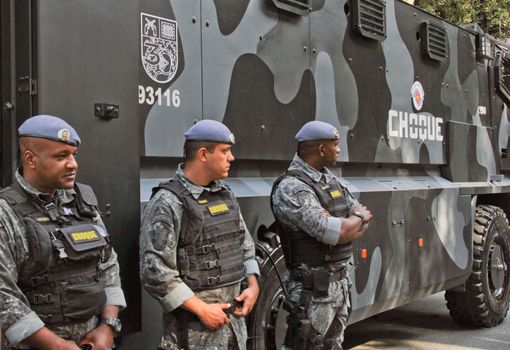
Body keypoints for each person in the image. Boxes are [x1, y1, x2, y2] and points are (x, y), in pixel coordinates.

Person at [0, 115, 126, 350]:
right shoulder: (6, 213)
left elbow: (108, 264)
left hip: (94, 342)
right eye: (61, 156)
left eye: (73, 155)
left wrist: (108, 326)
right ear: (31, 159)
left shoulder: (82, 203)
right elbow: (3, 295)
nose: (73, 164)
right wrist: (56, 345)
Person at [140, 119, 260, 350]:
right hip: (194, 333)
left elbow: (244, 245)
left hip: (234, 327)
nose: (231, 158)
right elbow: (155, 271)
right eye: (225, 151)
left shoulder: (225, 194)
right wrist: (202, 309)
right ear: (203, 154)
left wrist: (253, 286)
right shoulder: (168, 202)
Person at [271, 121, 372, 350]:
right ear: (321, 150)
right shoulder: (292, 188)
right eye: (335, 145)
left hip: (338, 286)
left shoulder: (330, 181)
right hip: (312, 293)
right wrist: (350, 221)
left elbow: (363, 218)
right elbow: (336, 232)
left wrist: (350, 221)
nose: (339, 150)